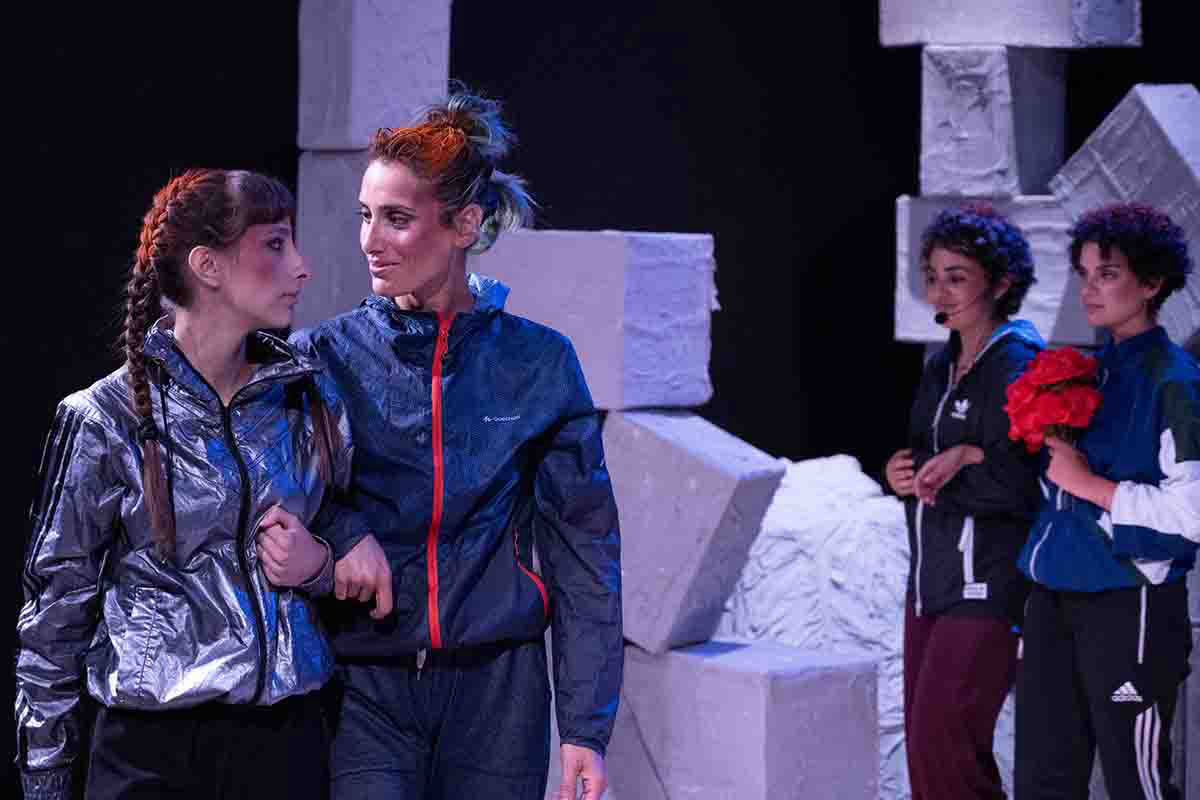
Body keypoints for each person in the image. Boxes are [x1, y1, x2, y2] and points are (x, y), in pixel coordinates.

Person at [291, 87, 622, 800]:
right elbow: (277, 498)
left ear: (464, 224)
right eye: (365, 216)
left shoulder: (539, 363)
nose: (369, 241)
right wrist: (343, 530)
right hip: (363, 687)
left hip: (498, 694)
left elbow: (585, 553)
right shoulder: (324, 357)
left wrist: (585, 728)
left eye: (396, 219)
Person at [16, 169, 358, 800]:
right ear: (208, 265)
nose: (302, 267)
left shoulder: (306, 402)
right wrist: (46, 770)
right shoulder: (105, 419)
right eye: (275, 244)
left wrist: (319, 566)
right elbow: (55, 609)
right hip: (151, 752)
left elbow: (346, 541)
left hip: (284, 741)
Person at [1014, 203, 1198, 799]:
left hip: (1128, 602)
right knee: (1042, 782)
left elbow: (1192, 514)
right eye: (1085, 274)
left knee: (1135, 785)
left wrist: (1088, 483)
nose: (1090, 289)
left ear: (1152, 283)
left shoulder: (1177, 382)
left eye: (1109, 273)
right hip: (1053, 595)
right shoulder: (1084, 372)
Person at [883, 204, 1044, 799]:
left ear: (1000, 284)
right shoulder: (941, 364)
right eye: (933, 277)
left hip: (988, 583)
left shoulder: (1020, 364)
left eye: (957, 277)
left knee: (944, 745)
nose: (939, 292)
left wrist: (965, 463)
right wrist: (901, 473)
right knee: (929, 757)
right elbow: (928, 455)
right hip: (931, 582)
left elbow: (1025, 483)